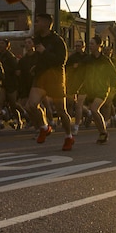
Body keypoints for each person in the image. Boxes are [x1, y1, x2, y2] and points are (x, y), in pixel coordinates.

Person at [25, 12, 74, 150]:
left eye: (38, 21)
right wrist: (36, 66)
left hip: (56, 77)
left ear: (46, 23)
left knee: (61, 110)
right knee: (30, 106)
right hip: (41, 76)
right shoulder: (37, 39)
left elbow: (62, 61)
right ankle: (44, 127)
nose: (35, 24)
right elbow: (39, 57)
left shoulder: (57, 41)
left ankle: (69, 136)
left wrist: (45, 52)